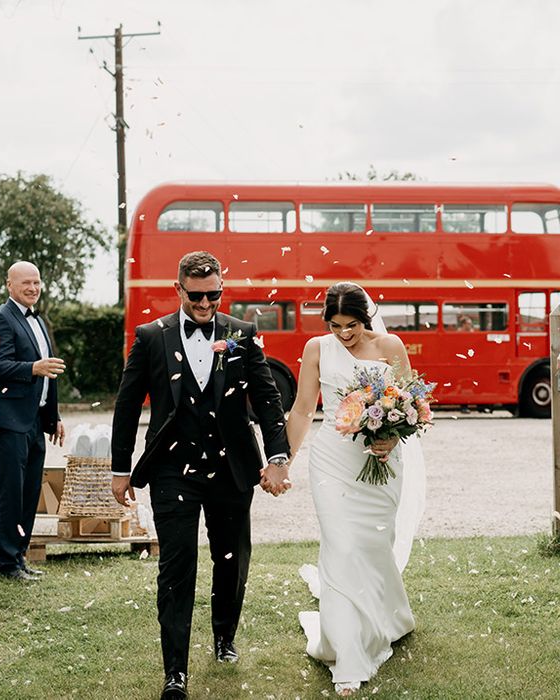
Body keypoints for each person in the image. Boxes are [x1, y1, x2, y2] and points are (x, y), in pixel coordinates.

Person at [110, 251, 290, 700]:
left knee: (231, 559)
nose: (206, 303)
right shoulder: (151, 337)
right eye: (197, 296)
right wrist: (120, 470)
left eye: (214, 295)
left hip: (233, 469)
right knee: (176, 567)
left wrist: (279, 457)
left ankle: (224, 636)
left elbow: (268, 400)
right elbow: (128, 406)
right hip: (173, 469)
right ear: (179, 290)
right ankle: (176, 671)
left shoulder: (241, 334)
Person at [285, 282, 423, 697]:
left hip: (380, 461)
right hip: (332, 460)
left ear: (367, 317)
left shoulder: (391, 345)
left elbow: (413, 405)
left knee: (373, 547)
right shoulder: (316, 349)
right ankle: (347, 656)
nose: (344, 334)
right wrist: (281, 462)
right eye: (336, 325)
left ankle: (388, 618)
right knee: (341, 546)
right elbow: (304, 409)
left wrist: (392, 437)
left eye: (353, 325)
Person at [0, 261, 65, 581]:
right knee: (9, 493)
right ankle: (2, 563)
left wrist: (52, 416)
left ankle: (19, 557)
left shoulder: (38, 320)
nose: (33, 288)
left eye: (37, 282)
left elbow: (49, 373)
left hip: (32, 422)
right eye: (26, 283)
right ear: (9, 285)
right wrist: (33, 368)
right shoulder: (0, 317)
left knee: (30, 493)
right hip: (6, 420)